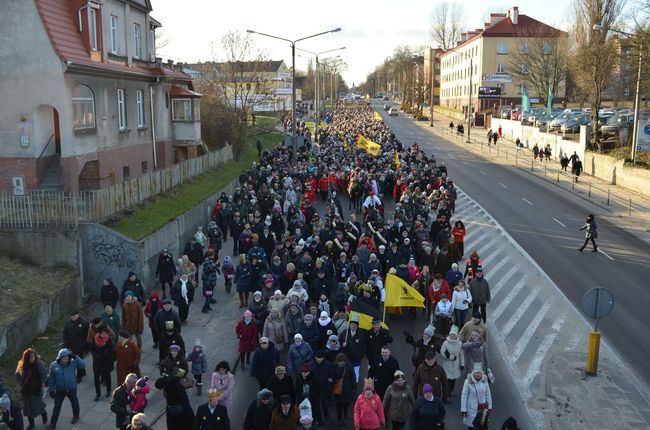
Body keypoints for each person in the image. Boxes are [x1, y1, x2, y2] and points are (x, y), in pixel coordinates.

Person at [46, 348, 85, 428]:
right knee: (57, 406)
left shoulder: (73, 362)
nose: (66, 360)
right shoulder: (53, 365)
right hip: (60, 389)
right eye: (64, 359)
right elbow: (51, 378)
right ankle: (53, 424)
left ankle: (76, 416)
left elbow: (83, 365)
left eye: (67, 358)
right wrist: (51, 389)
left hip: (71, 388)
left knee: (74, 402)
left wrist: (75, 357)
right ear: (60, 358)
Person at [15, 348, 48, 429]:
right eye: (30, 357)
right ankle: (31, 424)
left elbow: (44, 373)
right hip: (25, 390)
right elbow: (17, 374)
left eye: (33, 356)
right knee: (27, 408)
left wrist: (41, 382)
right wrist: (21, 383)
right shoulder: (21, 364)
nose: (32, 358)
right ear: (26, 358)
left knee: (38, 405)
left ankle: (44, 413)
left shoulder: (38, 364)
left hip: (35, 389)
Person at [460, 364, 492, 429]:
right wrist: (463, 409)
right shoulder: (468, 381)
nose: (478, 374)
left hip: (482, 407)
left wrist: (490, 406)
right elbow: (464, 396)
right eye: (476, 372)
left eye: (479, 373)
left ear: (482, 373)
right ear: (473, 372)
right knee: (472, 425)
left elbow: (488, 394)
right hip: (471, 408)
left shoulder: (484, 381)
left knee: (481, 425)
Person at [89, 323, 115, 401]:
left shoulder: (108, 340)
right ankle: (98, 394)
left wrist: (104, 353)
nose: (104, 335)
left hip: (106, 361)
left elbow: (111, 350)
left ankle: (108, 391)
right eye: (103, 333)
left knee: (107, 376)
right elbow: (92, 349)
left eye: (106, 333)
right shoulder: (95, 339)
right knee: (96, 377)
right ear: (99, 333)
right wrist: (96, 355)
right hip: (97, 362)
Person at [62, 310, 89, 383]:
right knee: (72, 360)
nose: (72, 317)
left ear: (78, 315)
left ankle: (79, 376)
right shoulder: (68, 323)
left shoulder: (84, 323)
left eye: (74, 315)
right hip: (71, 346)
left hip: (80, 346)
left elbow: (88, 335)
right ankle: (82, 371)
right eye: (71, 315)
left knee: (77, 360)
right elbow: (65, 334)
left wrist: (86, 346)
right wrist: (65, 345)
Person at [332, 353, 356, 426]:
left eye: (341, 362)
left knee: (347, 403)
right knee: (338, 405)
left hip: (346, 389)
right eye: (339, 362)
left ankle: (345, 413)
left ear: (344, 361)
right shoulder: (334, 365)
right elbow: (332, 375)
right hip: (339, 388)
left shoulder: (348, 365)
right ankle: (340, 418)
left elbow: (353, 377)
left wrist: (354, 387)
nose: (340, 363)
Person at [439, 325, 463, 396]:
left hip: (455, 365)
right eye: (451, 334)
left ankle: (451, 390)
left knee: (453, 379)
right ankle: (447, 393)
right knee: (447, 380)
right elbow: (442, 352)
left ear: (456, 336)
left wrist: (462, 364)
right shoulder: (445, 343)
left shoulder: (459, 344)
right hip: (447, 364)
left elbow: (461, 354)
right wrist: (449, 356)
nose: (452, 336)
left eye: (454, 334)